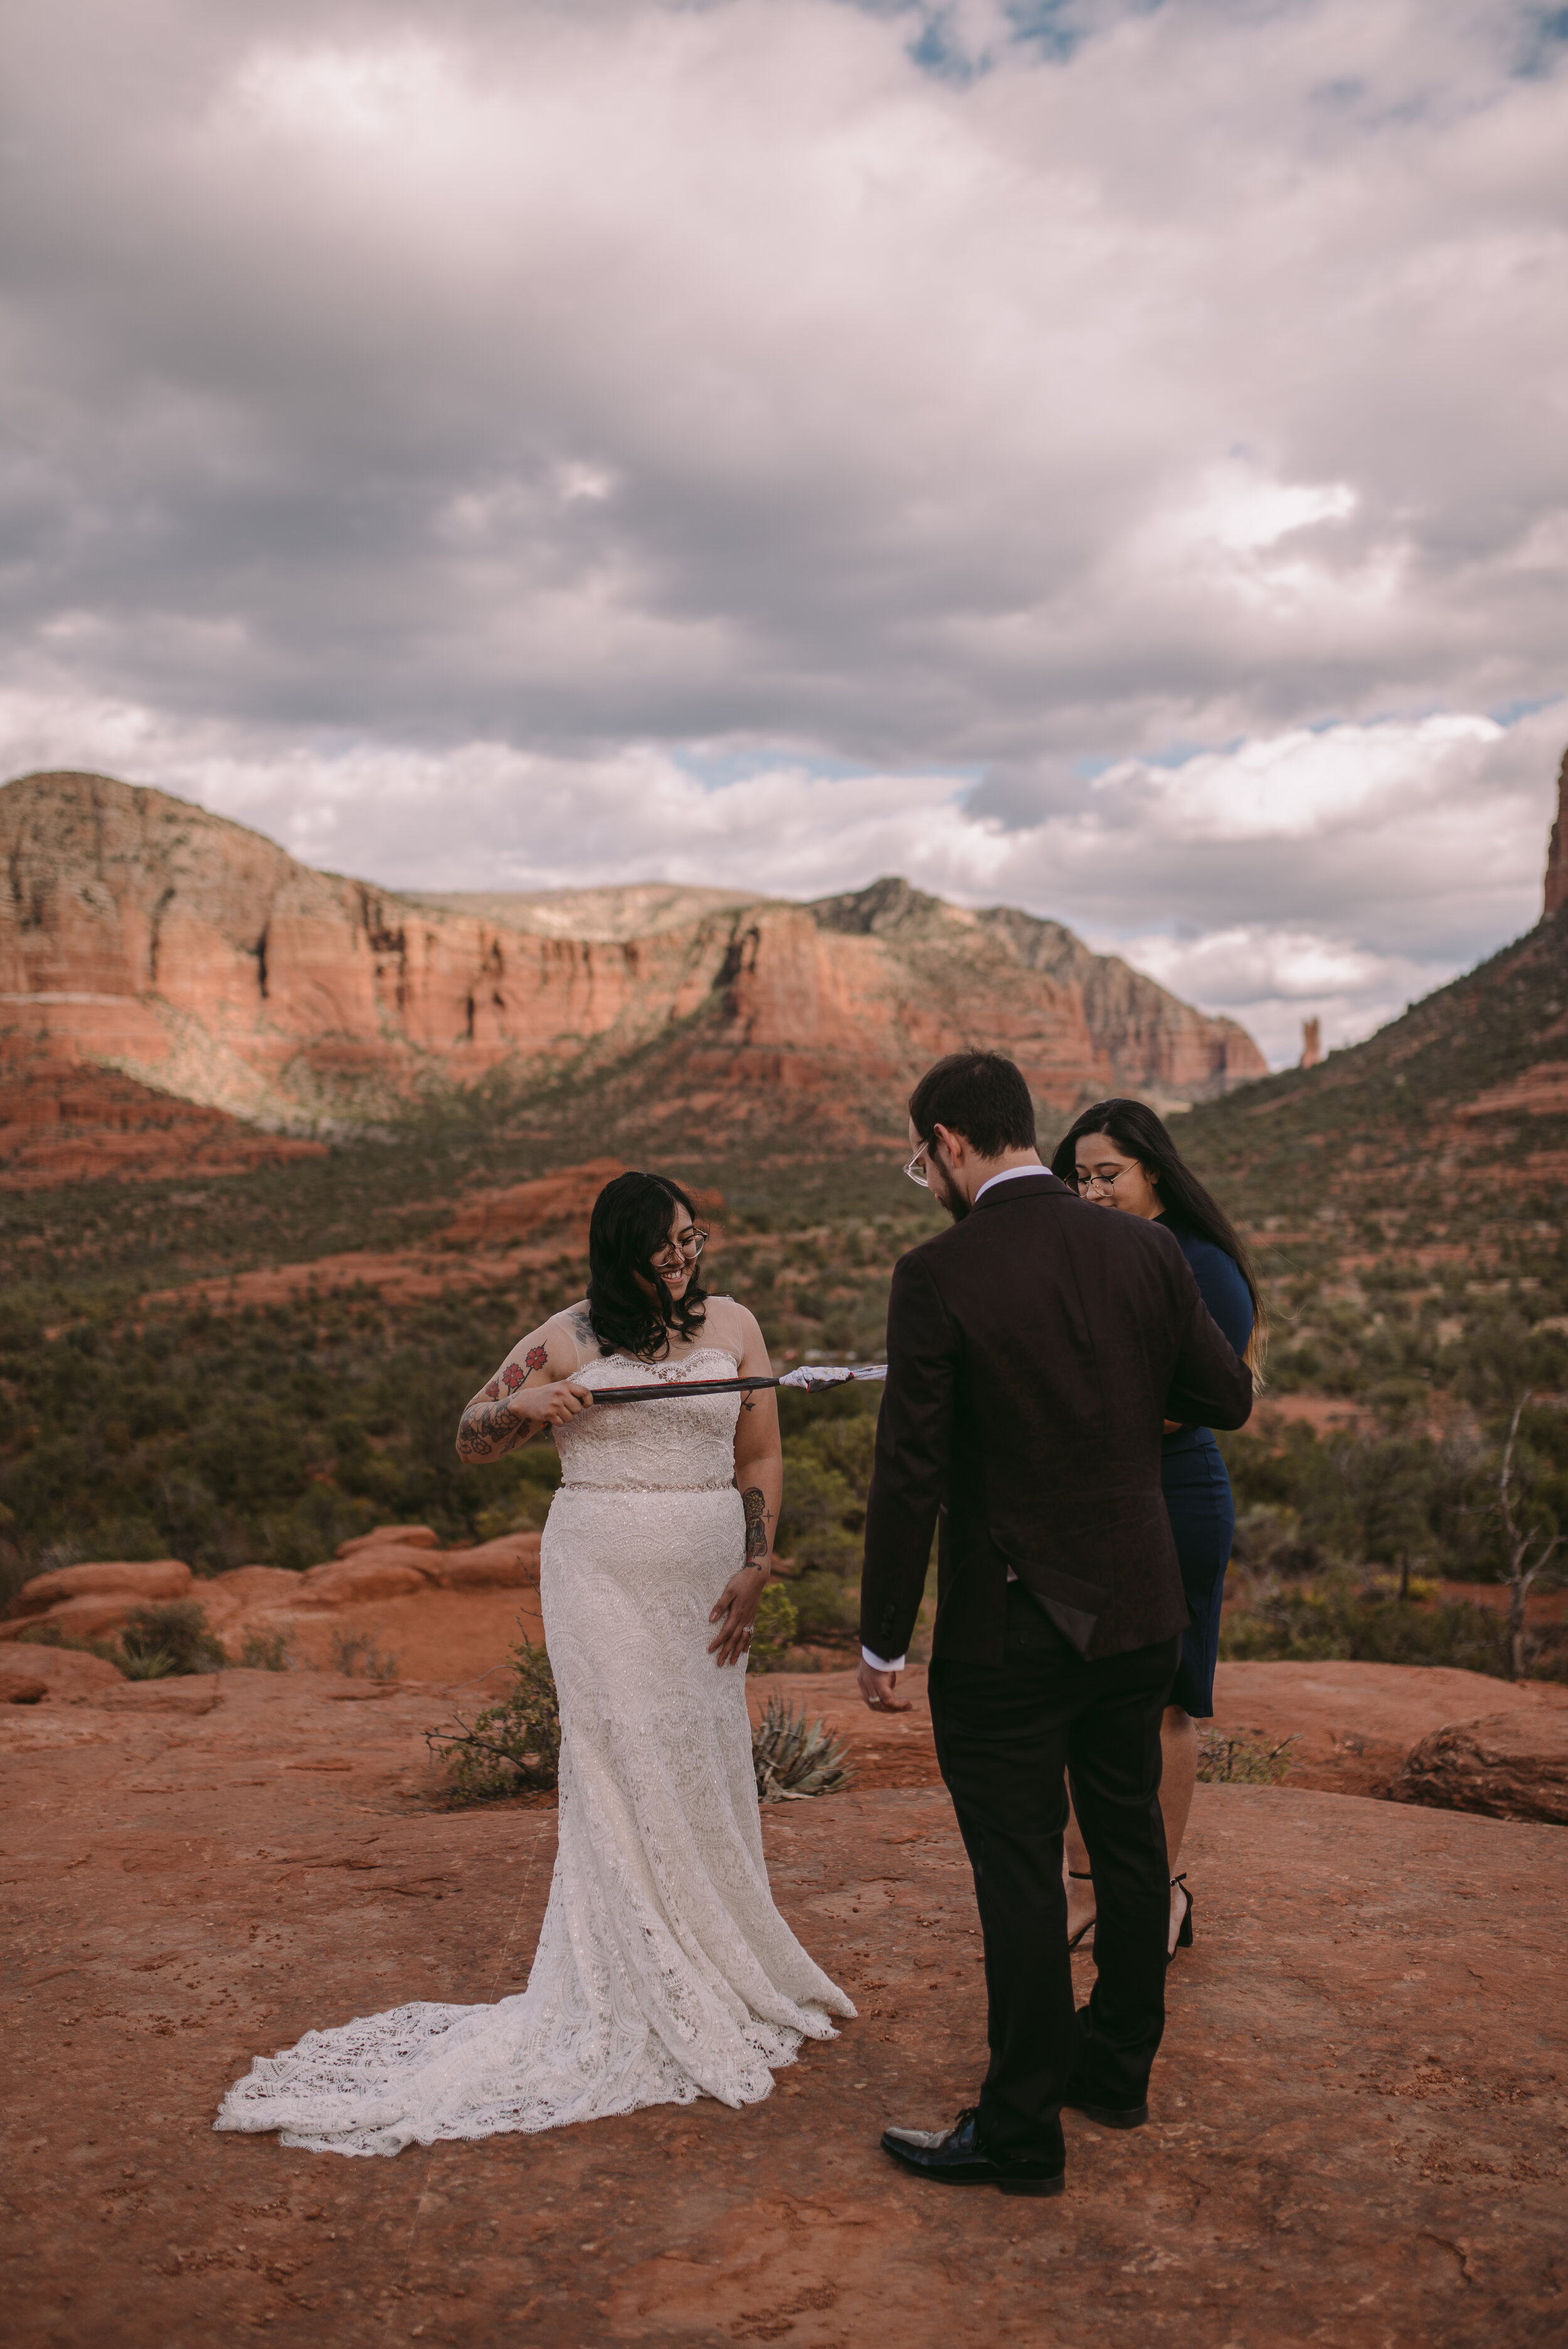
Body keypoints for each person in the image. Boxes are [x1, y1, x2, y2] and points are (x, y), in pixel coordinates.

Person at [216, 1170, 852, 2157]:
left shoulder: (736, 1323)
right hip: (599, 1587)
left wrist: (758, 1565)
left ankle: (722, 1959)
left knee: (703, 1753)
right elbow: (471, 1434)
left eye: (694, 1240)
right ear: (619, 1258)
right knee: (619, 1760)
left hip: (704, 1591)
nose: (685, 1262)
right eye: (665, 1250)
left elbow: (759, 1453)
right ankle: (638, 1977)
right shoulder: (566, 1338)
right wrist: (537, 1401)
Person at [858, 1051, 1251, 2195]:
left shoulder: (936, 1271)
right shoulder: (1143, 1247)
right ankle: (1118, 2069)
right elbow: (1225, 1395)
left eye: (918, 1156)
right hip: (1137, 1607)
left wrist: (885, 1634)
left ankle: (1023, 2128)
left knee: (1021, 1870)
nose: (921, 1172)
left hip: (1009, 1630)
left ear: (946, 1142)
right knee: (1128, 1842)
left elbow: (911, 1466)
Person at [1051, 1100, 1264, 1960]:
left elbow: (1195, 1398)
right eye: (1080, 1176)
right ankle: (1084, 1886)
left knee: (1168, 1702)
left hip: (1174, 1499)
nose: (1093, 1190)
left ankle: (1163, 1890)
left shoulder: (1202, 1263)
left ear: (1155, 1173)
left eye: (1111, 1174)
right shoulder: (1080, 1252)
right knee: (1077, 1694)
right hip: (1090, 1500)